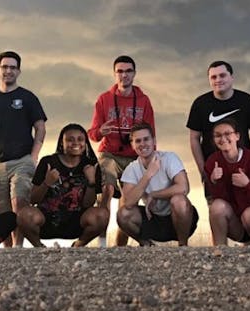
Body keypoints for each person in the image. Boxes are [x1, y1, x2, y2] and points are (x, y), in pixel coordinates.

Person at [0, 51, 47, 243]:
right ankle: (8, 250)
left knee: (19, 201)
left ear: (18, 71)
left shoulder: (28, 97)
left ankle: (19, 246)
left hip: (22, 160)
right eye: (4, 67)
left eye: (12, 68)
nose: (8, 71)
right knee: (2, 210)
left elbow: (40, 127)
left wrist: (34, 156)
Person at [88, 55, 156, 246]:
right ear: (114, 74)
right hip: (109, 153)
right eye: (120, 71)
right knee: (106, 190)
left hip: (134, 156)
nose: (123, 75)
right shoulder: (104, 99)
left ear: (134, 74)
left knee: (128, 201)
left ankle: (120, 247)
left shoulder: (143, 100)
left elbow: (151, 133)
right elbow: (93, 134)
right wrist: (101, 131)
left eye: (128, 71)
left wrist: (151, 159)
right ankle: (102, 243)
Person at [17, 124, 110, 247]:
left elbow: (88, 204)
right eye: (70, 139)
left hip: (77, 221)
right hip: (47, 219)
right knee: (24, 215)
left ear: (85, 143)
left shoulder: (91, 164)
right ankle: (39, 248)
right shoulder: (48, 162)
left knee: (101, 215)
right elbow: (33, 199)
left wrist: (91, 181)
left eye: (80, 139)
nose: (75, 143)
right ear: (62, 142)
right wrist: (47, 182)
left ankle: (79, 245)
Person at [186, 61, 250, 196]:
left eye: (222, 75)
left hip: (242, 172)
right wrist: (203, 170)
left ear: (231, 77)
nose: (218, 80)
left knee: (246, 212)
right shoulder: (200, 104)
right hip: (215, 173)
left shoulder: (246, 100)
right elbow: (194, 138)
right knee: (218, 211)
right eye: (213, 77)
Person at [117, 122, 199, 246]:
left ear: (154, 140)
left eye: (146, 139)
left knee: (179, 200)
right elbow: (128, 203)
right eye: (138, 141)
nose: (143, 144)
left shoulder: (169, 158)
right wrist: (148, 175)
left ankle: (183, 246)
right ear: (132, 145)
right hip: (152, 219)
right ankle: (146, 244)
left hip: (177, 219)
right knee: (123, 214)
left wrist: (155, 194)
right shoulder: (131, 169)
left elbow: (183, 188)